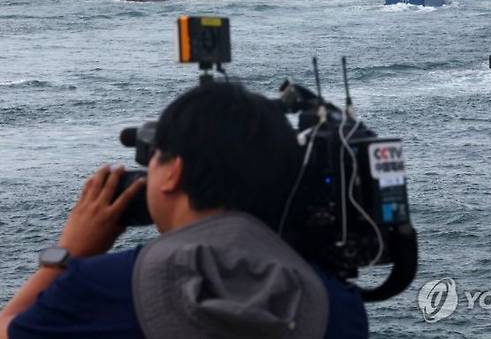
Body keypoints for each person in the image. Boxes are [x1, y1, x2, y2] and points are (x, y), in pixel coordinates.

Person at [0, 82, 368, 339]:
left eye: (154, 157)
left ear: (173, 171)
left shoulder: (102, 287)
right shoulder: (338, 308)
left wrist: (67, 255)